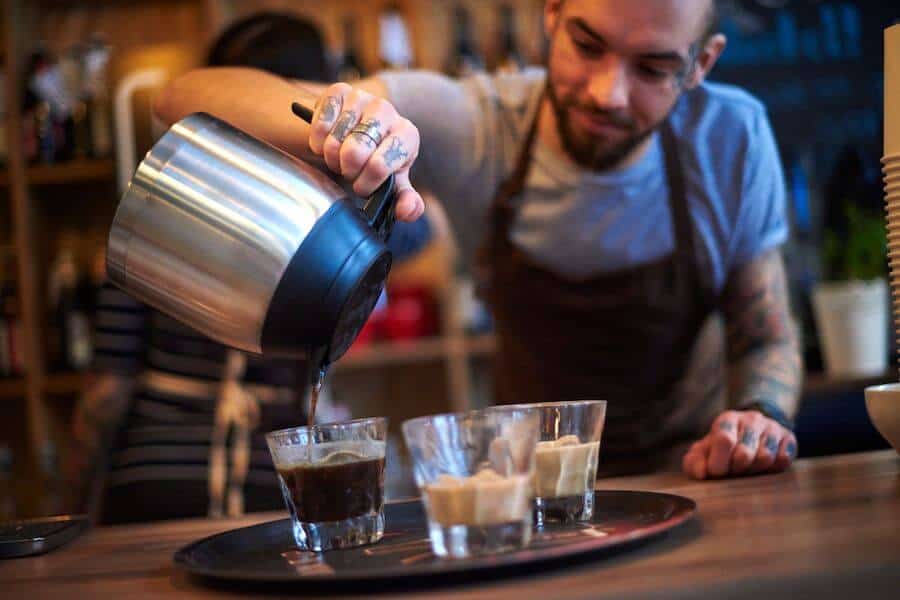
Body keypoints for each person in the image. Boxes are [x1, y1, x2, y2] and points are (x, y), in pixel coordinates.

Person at [153, 0, 801, 479]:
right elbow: (181, 97)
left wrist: (757, 416)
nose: (610, 93)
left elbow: (765, 332)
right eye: (587, 45)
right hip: (526, 490)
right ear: (551, 14)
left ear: (701, 63)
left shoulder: (732, 139)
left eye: (654, 68)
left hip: (694, 473)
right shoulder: (475, 126)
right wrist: (339, 119)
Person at [67, 12, 432, 524]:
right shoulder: (339, 214)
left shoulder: (163, 199)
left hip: (152, 481)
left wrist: (77, 496)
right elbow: (417, 230)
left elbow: (108, 389)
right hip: (279, 485)